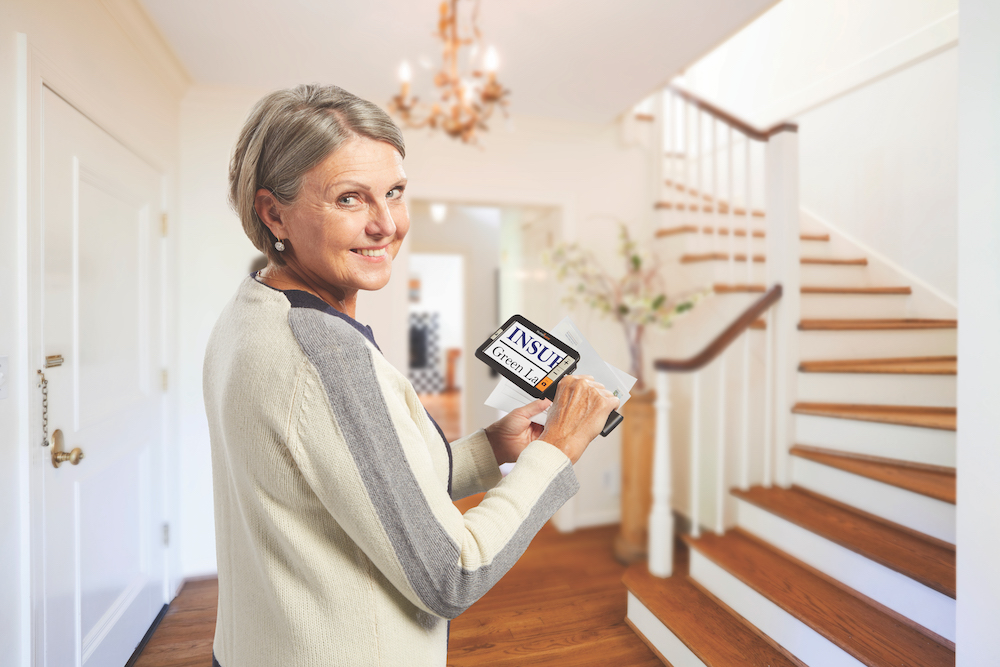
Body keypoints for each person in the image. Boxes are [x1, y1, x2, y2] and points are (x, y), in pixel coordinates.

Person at [203, 83, 619, 667]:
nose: (387, 225)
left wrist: (490, 450)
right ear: (275, 212)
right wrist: (557, 452)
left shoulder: (250, 310)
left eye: (394, 193)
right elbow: (452, 573)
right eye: (350, 199)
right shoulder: (325, 355)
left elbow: (364, 487)